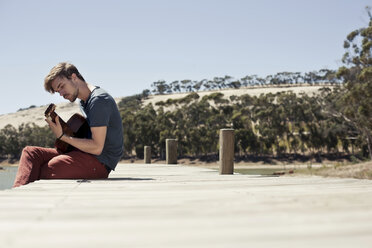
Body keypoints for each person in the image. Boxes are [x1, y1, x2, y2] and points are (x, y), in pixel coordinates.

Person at [13, 62, 123, 188]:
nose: (61, 94)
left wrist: (63, 136)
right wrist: (66, 131)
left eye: (61, 86)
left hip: (100, 163)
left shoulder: (98, 101)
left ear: (74, 77)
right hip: (83, 154)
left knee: (49, 168)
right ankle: (16, 196)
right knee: (31, 153)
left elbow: (97, 147)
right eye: (57, 91)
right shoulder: (83, 101)